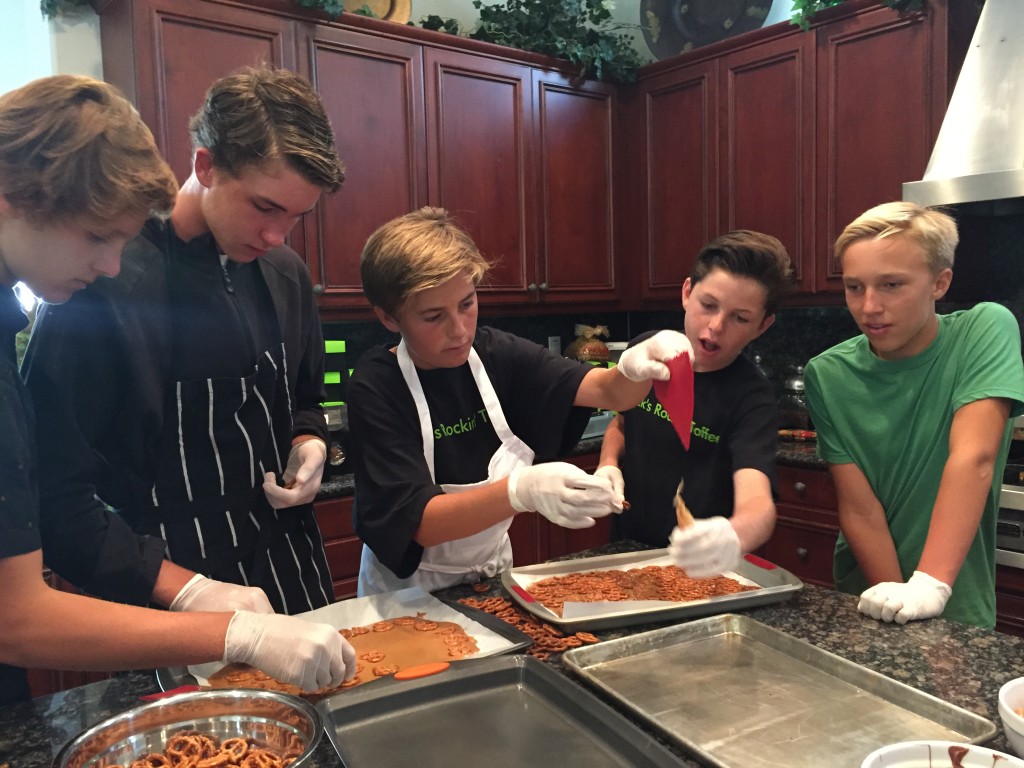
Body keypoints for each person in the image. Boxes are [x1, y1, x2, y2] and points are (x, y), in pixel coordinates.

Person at [0, 74, 354, 707]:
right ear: (206, 165)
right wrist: (194, 595)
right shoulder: (96, 282)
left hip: (287, 565)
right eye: (265, 207)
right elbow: (57, 496)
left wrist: (310, 435)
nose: (277, 235)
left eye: (297, 218)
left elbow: (313, 383)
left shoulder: (285, 274)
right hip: (163, 583)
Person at [349, 206, 694, 595]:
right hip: (405, 590)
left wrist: (635, 369)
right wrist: (521, 491)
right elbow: (421, 524)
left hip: (492, 578)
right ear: (389, 318)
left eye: (466, 303)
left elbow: (608, 392)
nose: (460, 330)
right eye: (433, 316)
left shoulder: (496, 354)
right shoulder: (377, 385)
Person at [804, 201, 1024, 629]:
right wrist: (897, 604)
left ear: (939, 283)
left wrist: (928, 587)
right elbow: (860, 509)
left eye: (891, 285)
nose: (869, 307)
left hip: (955, 598)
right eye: (854, 287)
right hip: (865, 597)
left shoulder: (984, 330)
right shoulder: (827, 373)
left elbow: (973, 458)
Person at [597, 230, 793, 577]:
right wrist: (608, 464)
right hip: (627, 551)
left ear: (762, 326)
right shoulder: (647, 351)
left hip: (699, 568)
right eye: (709, 305)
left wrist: (732, 534)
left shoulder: (752, 397)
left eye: (740, 318)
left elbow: (757, 501)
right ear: (687, 293)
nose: (716, 326)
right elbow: (623, 422)